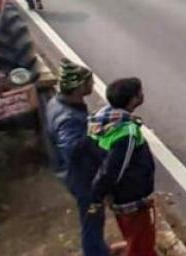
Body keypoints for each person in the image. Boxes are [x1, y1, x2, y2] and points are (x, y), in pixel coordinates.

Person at [45, 59, 110, 256]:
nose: (92, 85)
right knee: (92, 220)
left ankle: (99, 250)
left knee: (93, 219)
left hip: (74, 174)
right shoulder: (68, 118)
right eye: (89, 82)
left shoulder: (58, 103)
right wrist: (97, 136)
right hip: (82, 178)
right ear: (78, 86)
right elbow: (72, 148)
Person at [88, 78, 157, 256]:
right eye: (139, 93)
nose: (142, 96)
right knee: (140, 243)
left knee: (135, 236)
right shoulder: (127, 134)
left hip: (119, 197)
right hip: (131, 197)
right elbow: (113, 170)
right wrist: (97, 196)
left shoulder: (102, 120)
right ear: (133, 99)